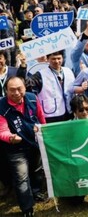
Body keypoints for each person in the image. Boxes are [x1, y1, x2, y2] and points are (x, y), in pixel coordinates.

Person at [0, 77, 46, 217]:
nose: (17, 93)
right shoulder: (1, 106)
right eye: (12, 90)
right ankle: (27, 208)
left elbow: (40, 117)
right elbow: (2, 130)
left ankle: (37, 192)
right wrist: (10, 137)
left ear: (25, 88)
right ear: (6, 90)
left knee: (37, 170)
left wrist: (44, 130)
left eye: (19, 89)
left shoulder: (32, 98)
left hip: (35, 143)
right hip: (16, 148)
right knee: (21, 177)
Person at [27, 50, 75, 123]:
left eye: (59, 58)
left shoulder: (68, 71)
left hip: (70, 111)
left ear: (62, 58)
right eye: (53, 59)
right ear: (48, 59)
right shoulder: (40, 74)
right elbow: (27, 84)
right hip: (51, 114)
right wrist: (23, 67)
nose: (56, 61)